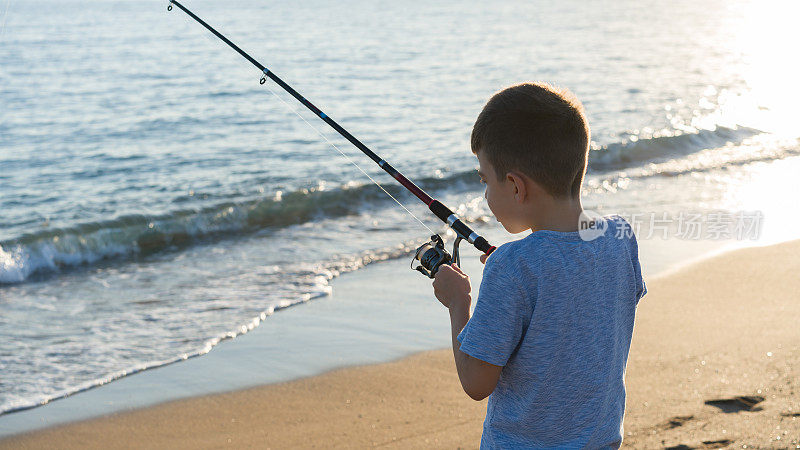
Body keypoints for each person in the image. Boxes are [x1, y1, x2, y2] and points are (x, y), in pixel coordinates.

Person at [432, 82, 647, 449]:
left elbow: (476, 382)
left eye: (485, 180)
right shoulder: (620, 236)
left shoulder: (512, 268)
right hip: (602, 440)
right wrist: (523, 272)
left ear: (516, 185)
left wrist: (459, 303)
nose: (485, 195)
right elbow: (583, 307)